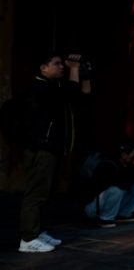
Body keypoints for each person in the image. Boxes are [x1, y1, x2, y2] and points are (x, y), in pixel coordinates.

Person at [18, 52, 91, 253]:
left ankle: (37, 231)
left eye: (63, 64)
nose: (62, 67)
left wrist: (83, 75)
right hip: (41, 149)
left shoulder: (54, 88)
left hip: (53, 148)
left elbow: (81, 97)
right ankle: (28, 239)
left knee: (47, 194)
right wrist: (74, 70)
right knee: (36, 195)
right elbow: (69, 93)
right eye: (57, 64)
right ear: (43, 68)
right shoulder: (40, 87)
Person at [81, 144, 134, 227]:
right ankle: (106, 219)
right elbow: (120, 183)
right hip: (93, 208)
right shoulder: (107, 165)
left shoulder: (128, 165)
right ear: (124, 155)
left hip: (107, 203)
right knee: (116, 189)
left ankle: (123, 214)